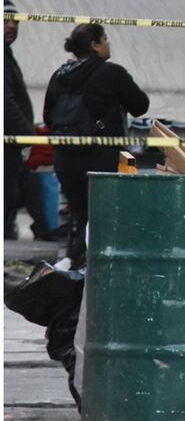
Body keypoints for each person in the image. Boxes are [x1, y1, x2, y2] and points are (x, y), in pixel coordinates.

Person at [44, 23, 149, 266]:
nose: (108, 44)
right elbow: (140, 106)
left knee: (79, 213)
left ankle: (73, 264)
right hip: (102, 158)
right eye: (105, 39)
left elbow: (48, 117)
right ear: (95, 45)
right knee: (105, 216)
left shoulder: (59, 75)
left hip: (66, 160)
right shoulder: (112, 73)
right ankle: (96, 268)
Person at [4, 0, 51, 241]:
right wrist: (27, 135)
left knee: (17, 190)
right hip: (9, 140)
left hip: (12, 141)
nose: (12, 25)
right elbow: (5, 102)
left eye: (15, 21)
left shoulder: (6, 54)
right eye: (5, 20)